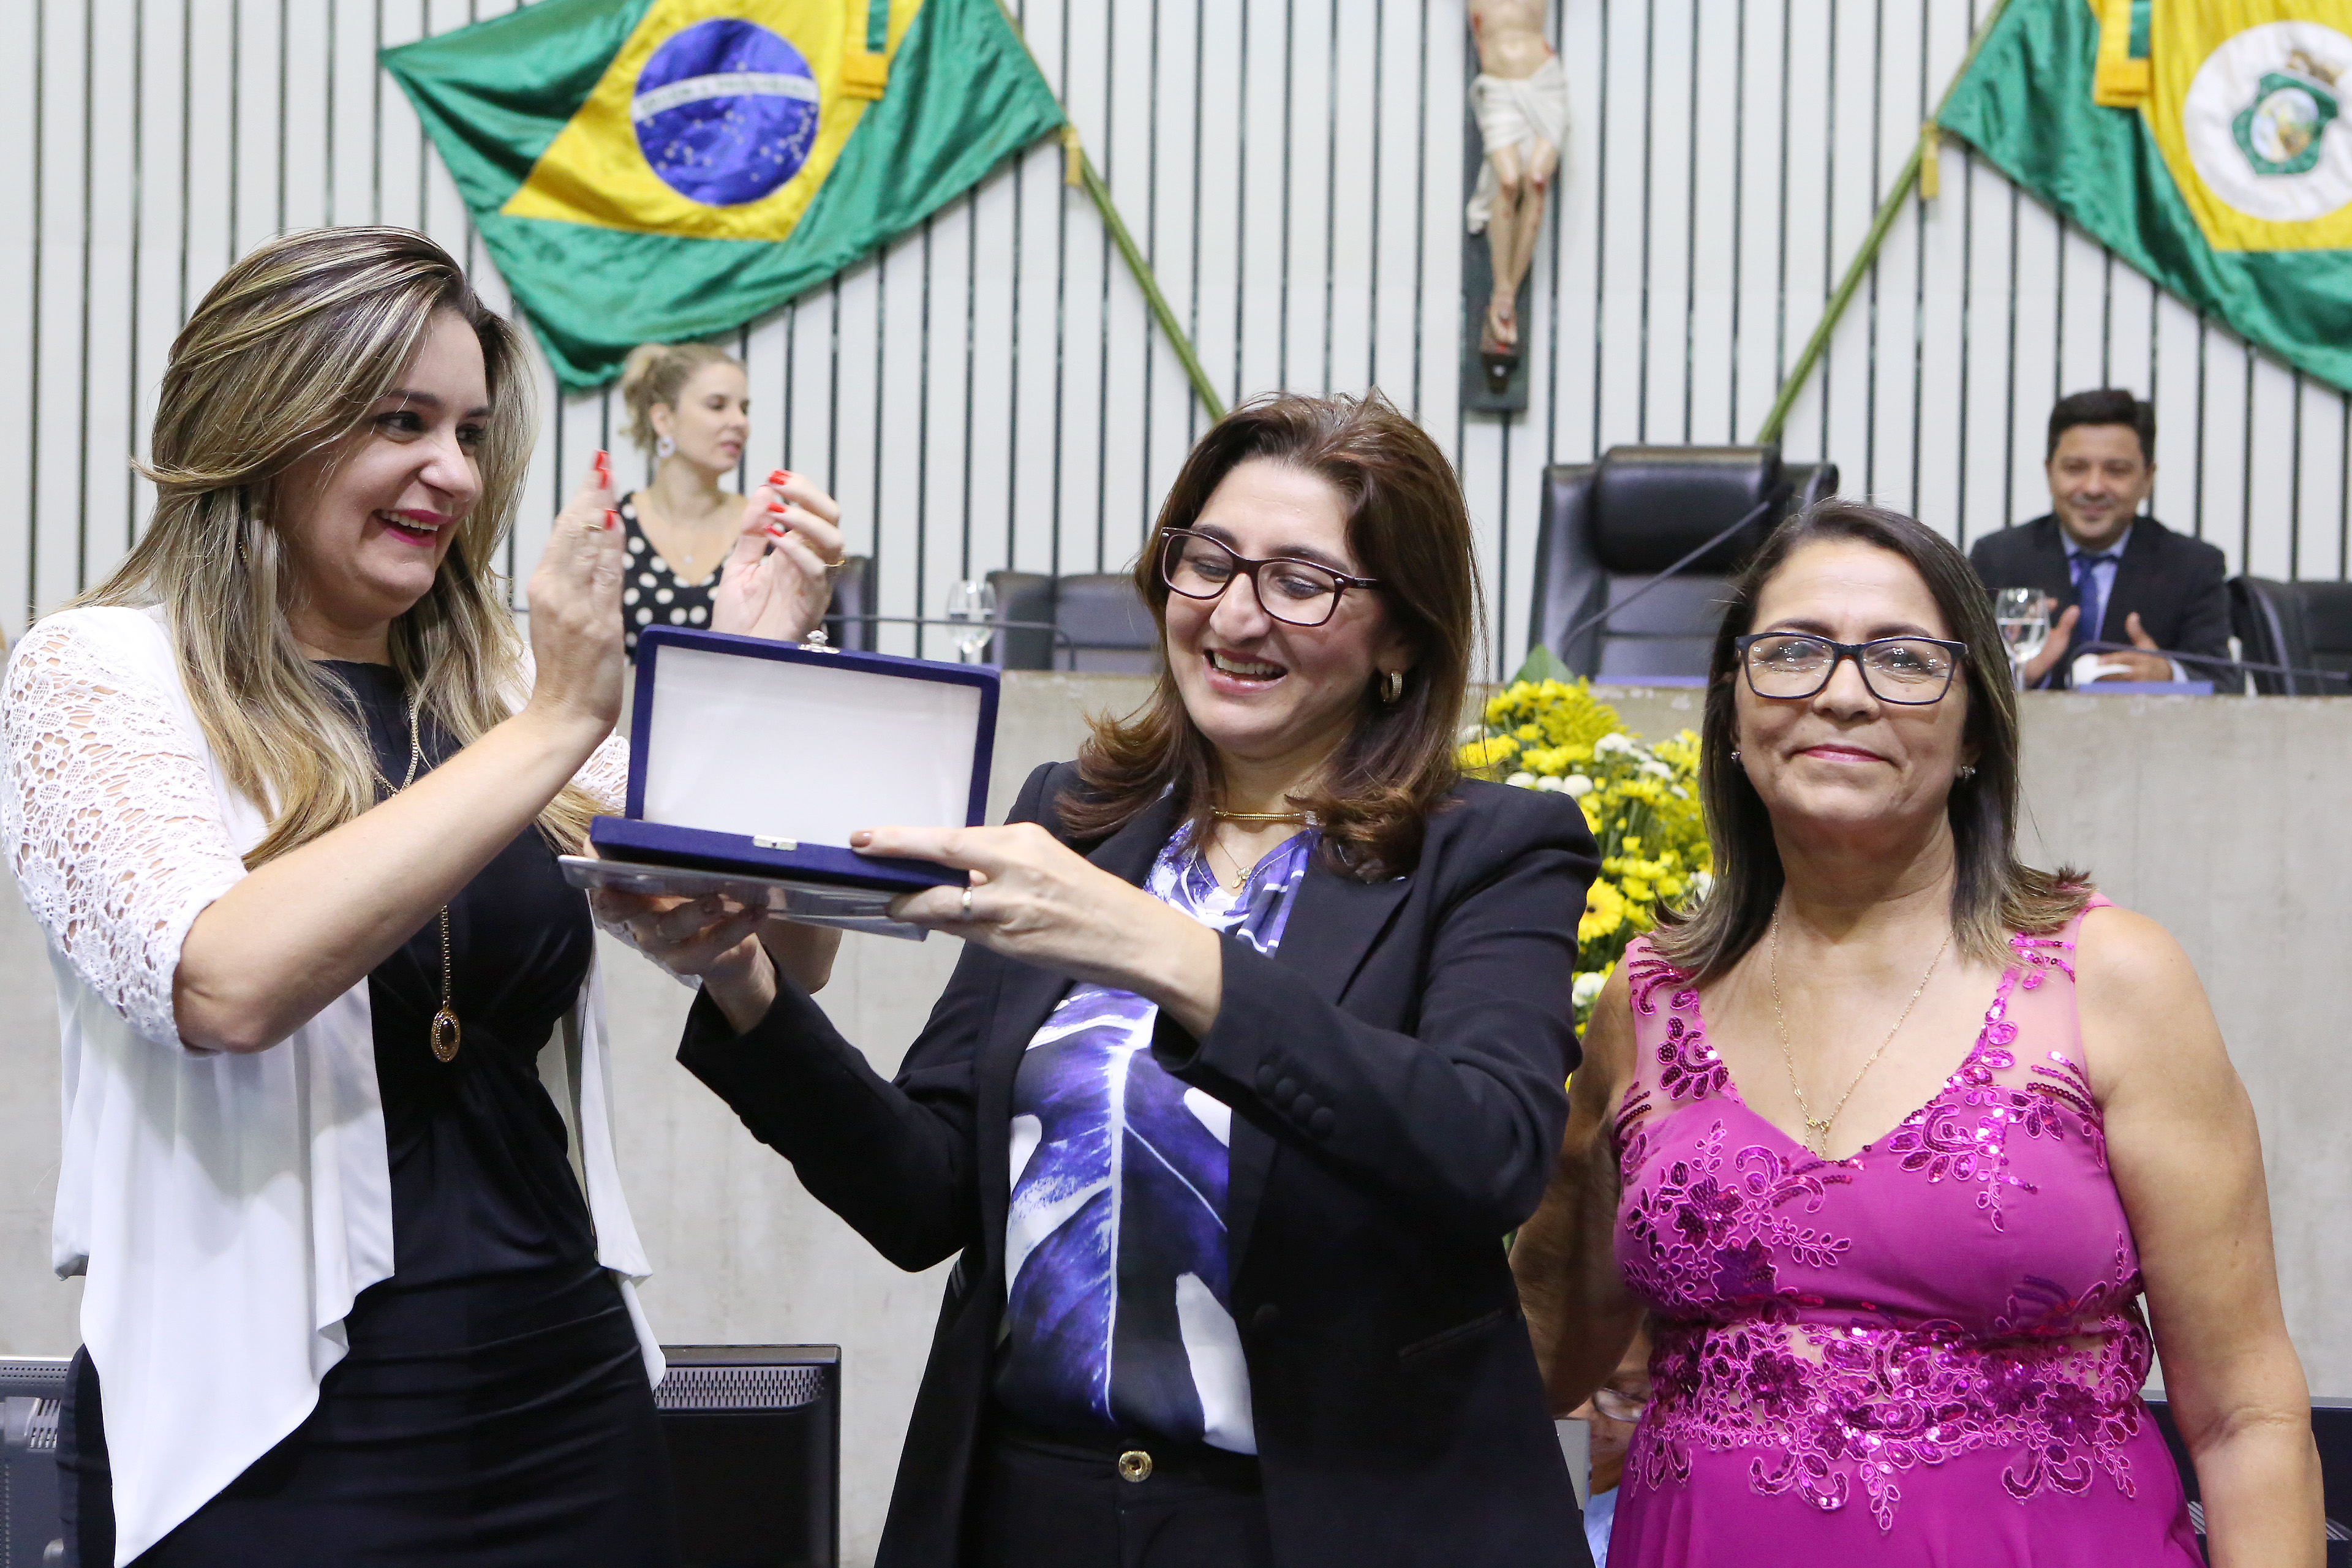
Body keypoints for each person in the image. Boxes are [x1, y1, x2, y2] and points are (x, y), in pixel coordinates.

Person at [600, 391, 1600, 1568]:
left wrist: (1157, 948)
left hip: (1329, 1518)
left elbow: (1489, 1148)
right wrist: (743, 985)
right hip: (1036, 1506)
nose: (1235, 613)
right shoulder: (1074, 821)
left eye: (1302, 582)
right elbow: (924, 1197)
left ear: (1401, 638)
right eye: (1209, 561)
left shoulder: (1488, 850)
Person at [0, 227, 843, 1566]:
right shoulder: (101, 673)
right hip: (264, 1429)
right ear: (264, 423)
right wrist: (558, 720)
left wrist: (753, 681)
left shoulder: (495, 685)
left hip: (561, 1395)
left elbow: (788, 954)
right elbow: (220, 983)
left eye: (470, 432)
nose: (452, 471)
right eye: (402, 422)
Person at [1510, 500, 2324, 1564]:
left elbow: (2245, 1420)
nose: (1843, 694)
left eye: (1902, 659)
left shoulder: (2111, 978)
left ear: (1976, 725)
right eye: (1792, 651)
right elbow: (1545, 1363)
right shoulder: (1650, 998)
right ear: (1732, 709)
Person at [1968, 388, 2230, 687]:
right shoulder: (1998, 558)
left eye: (2116, 471)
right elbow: (1958, 674)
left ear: (2147, 479)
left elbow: (2224, 683)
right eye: (2075, 469)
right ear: (2050, 473)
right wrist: (2016, 676)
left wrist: (2168, 676)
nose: (2093, 488)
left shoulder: (2193, 565)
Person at [612, 339, 843, 652]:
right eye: (717, 405)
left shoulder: (767, 531)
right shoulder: (612, 527)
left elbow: (802, 651)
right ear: (663, 420)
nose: (740, 422)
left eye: (744, 409)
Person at [1466, 0, 1565, 358]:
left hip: (1543, 82)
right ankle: (1502, 291)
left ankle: (1505, 297)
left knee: (1537, 180)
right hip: (1499, 86)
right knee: (1507, 181)